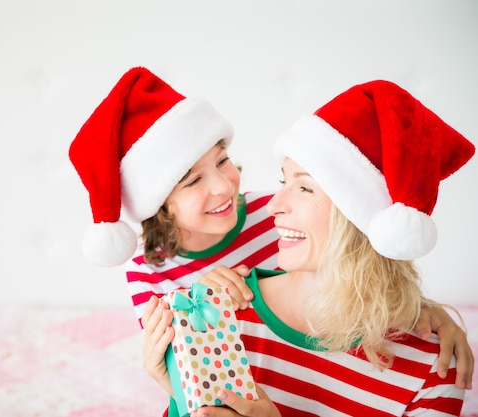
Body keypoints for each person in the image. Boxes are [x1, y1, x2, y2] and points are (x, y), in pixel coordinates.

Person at [68, 67, 474, 391]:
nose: (222, 185)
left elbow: (352, 273)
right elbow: (189, 372)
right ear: (158, 206)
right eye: (193, 181)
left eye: (222, 160)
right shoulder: (146, 272)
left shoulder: (273, 212)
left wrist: (428, 311)